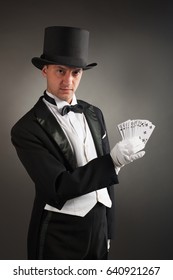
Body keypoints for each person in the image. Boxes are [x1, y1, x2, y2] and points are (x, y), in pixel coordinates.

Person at [11, 26, 145, 260]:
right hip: (59, 232)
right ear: (45, 70)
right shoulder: (26, 129)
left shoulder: (95, 113)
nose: (68, 81)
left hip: (99, 228)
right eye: (60, 71)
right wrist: (112, 161)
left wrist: (108, 229)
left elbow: (107, 186)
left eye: (76, 73)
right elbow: (58, 187)